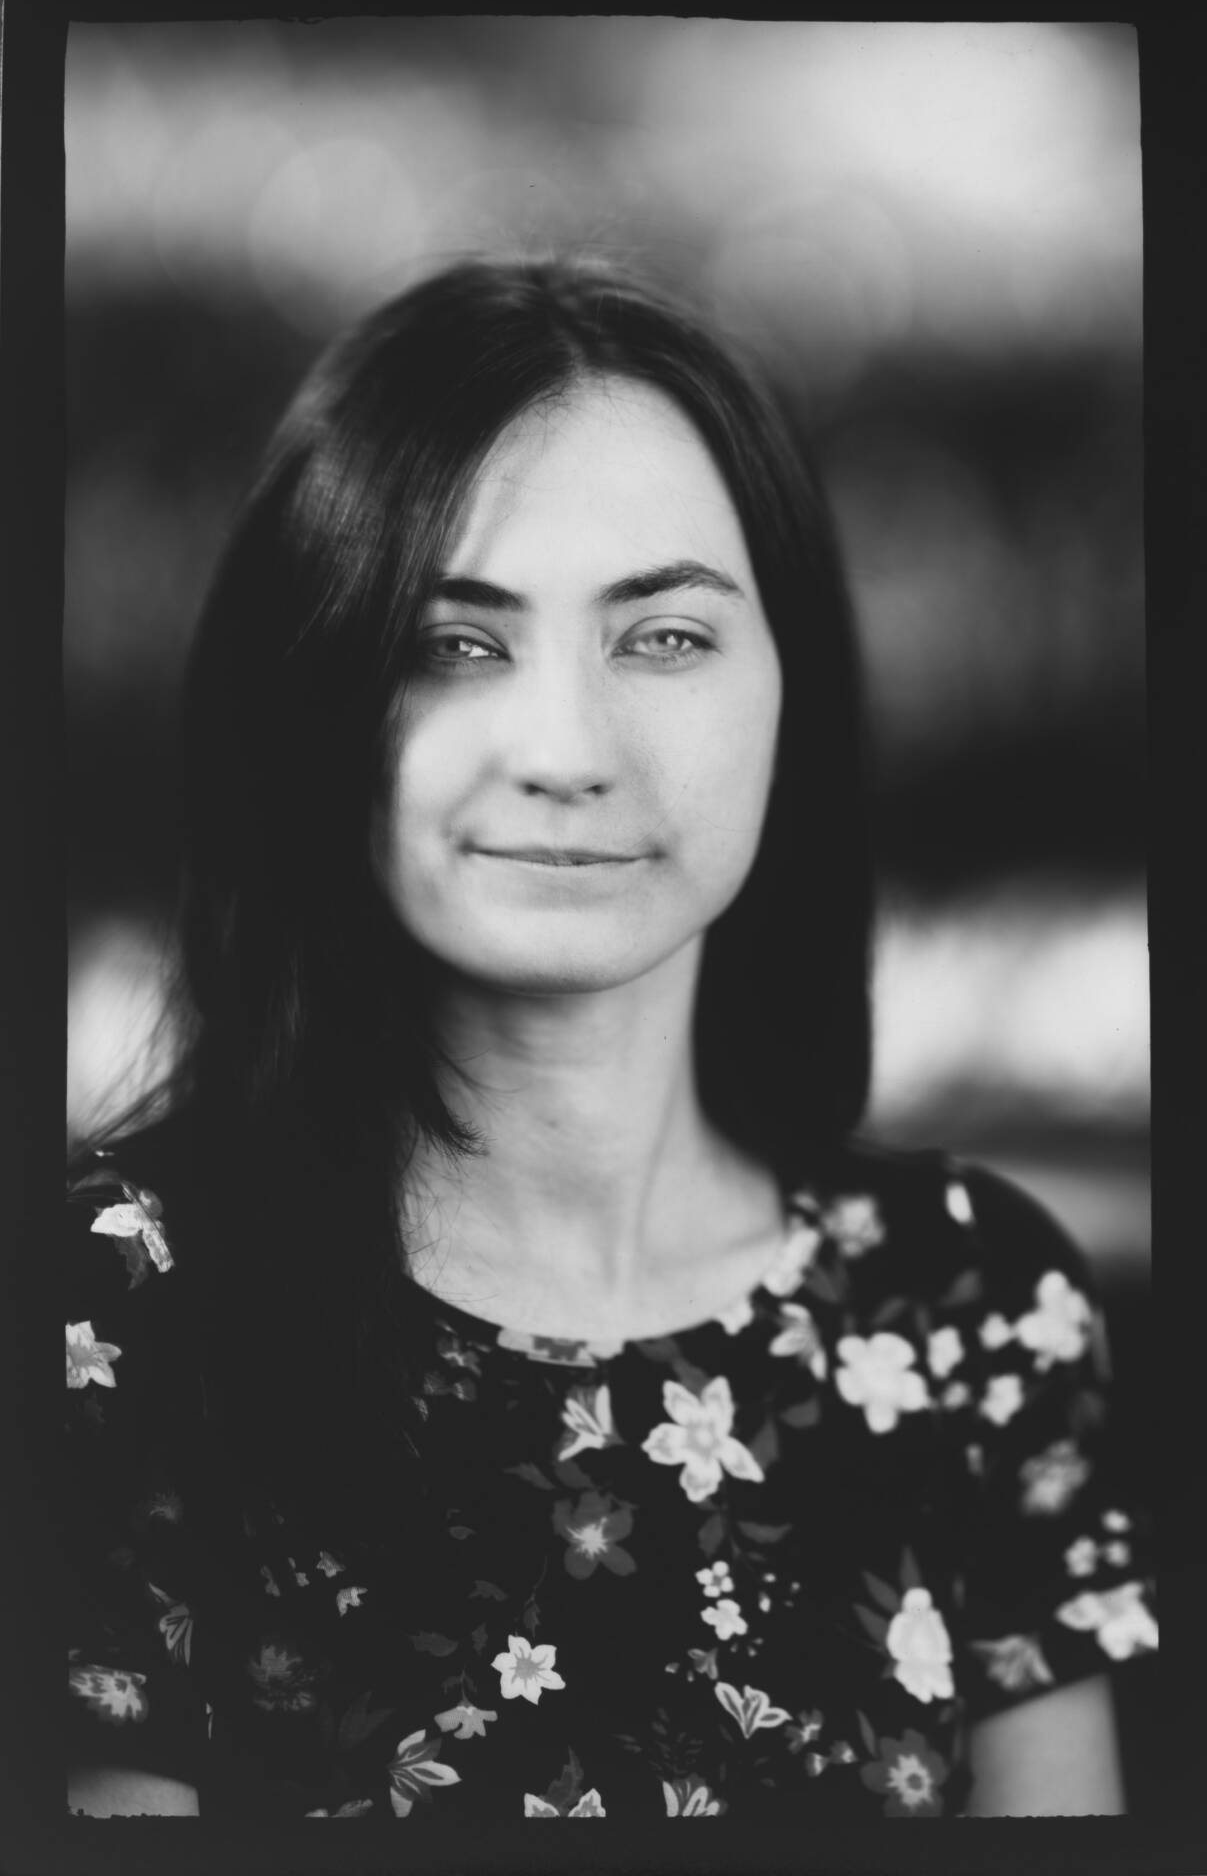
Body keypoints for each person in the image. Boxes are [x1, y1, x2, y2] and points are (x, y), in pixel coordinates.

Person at [65, 256, 1155, 1822]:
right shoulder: (110, 1314)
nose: (568, 751)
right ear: (312, 702)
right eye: (455, 643)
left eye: (665, 637)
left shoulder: (971, 1304)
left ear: (793, 690)